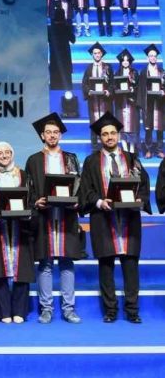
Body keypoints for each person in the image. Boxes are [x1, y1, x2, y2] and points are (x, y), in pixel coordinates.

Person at [80, 112, 151, 324]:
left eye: (112, 133)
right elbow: (86, 189)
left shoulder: (132, 159)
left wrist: (139, 199)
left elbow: (144, 183)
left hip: (129, 220)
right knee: (106, 266)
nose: (109, 137)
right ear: (100, 137)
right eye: (105, 134)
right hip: (103, 220)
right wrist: (98, 202)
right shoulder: (91, 161)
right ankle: (110, 310)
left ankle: (132, 310)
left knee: (130, 265)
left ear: (118, 135)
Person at [25, 113, 83, 324]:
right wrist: (35, 202)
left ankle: (68, 309)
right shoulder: (33, 160)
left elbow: (80, 185)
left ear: (60, 135)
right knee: (45, 263)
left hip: (67, 217)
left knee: (67, 262)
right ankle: (46, 309)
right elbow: (29, 189)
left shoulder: (71, 158)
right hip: (45, 217)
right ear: (42, 135)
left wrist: (77, 201)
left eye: (55, 132)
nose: (52, 135)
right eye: (48, 132)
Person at [0, 141, 34, 324]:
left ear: (12, 154)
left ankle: (20, 311)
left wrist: (28, 213)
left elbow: (31, 198)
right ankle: (4, 311)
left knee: (22, 269)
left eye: (7, 152)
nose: (4, 155)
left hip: (20, 228)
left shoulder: (24, 175)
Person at [81, 42, 113, 151]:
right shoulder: (89, 68)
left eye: (99, 53)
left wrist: (109, 91)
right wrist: (88, 91)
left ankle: (107, 147)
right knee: (94, 124)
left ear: (102, 54)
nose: (97, 55)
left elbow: (112, 83)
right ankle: (95, 149)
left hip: (105, 101)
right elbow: (84, 83)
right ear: (92, 55)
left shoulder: (107, 67)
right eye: (95, 53)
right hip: (93, 101)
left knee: (106, 124)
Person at [137, 44, 165, 159]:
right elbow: (140, 89)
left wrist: (163, 92)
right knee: (148, 128)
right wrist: (141, 104)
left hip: (159, 103)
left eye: (154, 56)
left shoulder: (162, 71)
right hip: (148, 103)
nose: (153, 57)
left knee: (160, 127)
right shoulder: (144, 72)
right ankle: (148, 149)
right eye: (151, 56)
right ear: (147, 57)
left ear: (157, 57)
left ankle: (159, 150)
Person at [113, 49, 140, 154]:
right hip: (121, 102)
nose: (125, 62)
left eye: (127, 60)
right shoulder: (117, 73)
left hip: (131, 102)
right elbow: (114, 86)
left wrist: (133, 89)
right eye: (123, 60)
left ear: (129, 61)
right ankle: (124, 148)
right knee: (122, 125)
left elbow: (138, 86)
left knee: (133, 126)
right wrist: (118, 90)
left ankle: (132, 148)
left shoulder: (134, 73)